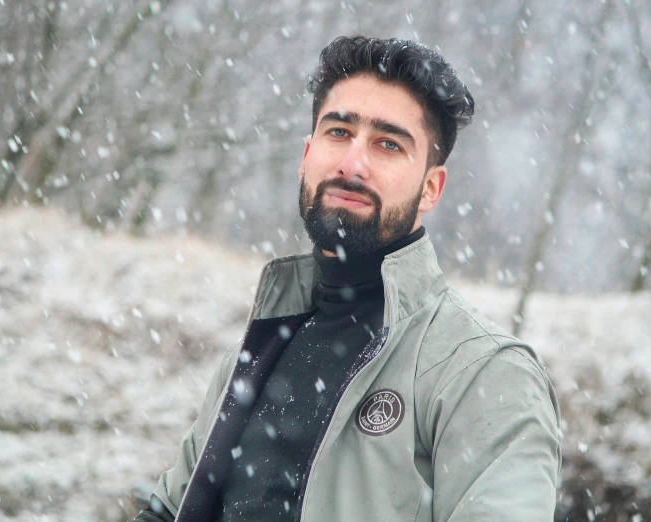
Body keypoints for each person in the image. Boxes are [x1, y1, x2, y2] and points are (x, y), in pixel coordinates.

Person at [133, 35, 561, 522]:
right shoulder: (260, 347)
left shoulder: (482, 372)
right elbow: (168, 511)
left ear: (431, 188)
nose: (352, 164)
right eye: (339, 132)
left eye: (387, 144)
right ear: (306, 154)